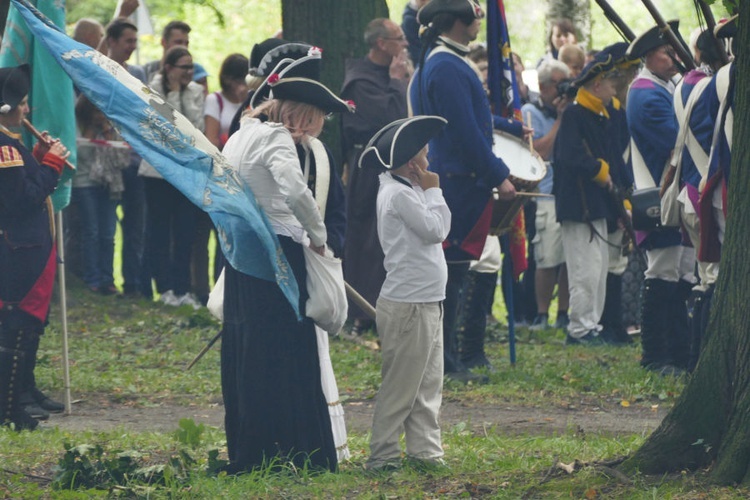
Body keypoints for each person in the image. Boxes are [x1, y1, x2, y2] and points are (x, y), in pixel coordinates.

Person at [219, 67, 354, 474]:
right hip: (280, 252)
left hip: (243, 253)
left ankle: (253, 448)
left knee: (248, 347)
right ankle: (296, 448)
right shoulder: (276, 137)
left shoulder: (240, 134)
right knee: (285, 350)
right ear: (300, 115)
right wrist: (318, 235)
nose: (315, 133)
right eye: (314, 122)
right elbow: (296, 191)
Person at [410, 0, 517, 383]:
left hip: (456, 178)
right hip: (458, 180)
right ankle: (446, 361)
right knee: (450, 277)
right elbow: (464, 132)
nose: (479, 22)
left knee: (452, 275)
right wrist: (498, 174)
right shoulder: (446, 65)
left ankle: (448, 358)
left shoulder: (443, 61)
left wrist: (512, 129)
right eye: (473, 16)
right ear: (459, 21)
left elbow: (472, 120)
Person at [361, 115, 450, 471]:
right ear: (413, 161)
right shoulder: (398, 194)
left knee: (428, 384)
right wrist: (434, 190)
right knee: (401, 387)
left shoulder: (407, 188)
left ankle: (424, 450)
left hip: (428, 299)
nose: (429, 161)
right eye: (425, 154)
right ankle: (382, 455)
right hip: (408, 303)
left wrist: (425, 190)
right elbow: (436, 230)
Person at [0, 64, 70, 430]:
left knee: (30, 325)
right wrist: (53, 166)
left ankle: (22, 392)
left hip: (30, 247)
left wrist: (42, 160)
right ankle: (11, 405)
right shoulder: (4, 148)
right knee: (18, 326)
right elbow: (21, 198)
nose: (27, 110)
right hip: (19, 248)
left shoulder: (12, 143)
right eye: (22, 103)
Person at [626, 22, 693, 373]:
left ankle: (679, 351)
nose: (674, 58)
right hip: (658, 194)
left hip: (672, 194)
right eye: (668, 53)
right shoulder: (646, 94)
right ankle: (655, 355)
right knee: (663, 272)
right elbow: (677, 144)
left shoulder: (660, 88)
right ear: (650, 56)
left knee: (680, 272)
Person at [341, 18, 408, 335]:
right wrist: (396, 81)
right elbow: (390, 120)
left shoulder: (393, 74)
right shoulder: (360, 81)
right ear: (381, 43)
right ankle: (363, 313)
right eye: (399, 39)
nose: (405, 45)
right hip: (368, 169)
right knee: (367, 240)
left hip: (395, 168)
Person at [553, 52, 622, 345]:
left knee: (597, 267)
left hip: (595, 204)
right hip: (579, 204)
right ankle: (579, 328)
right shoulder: (575, 114)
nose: (614, 89)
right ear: (597, 85)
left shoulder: (597, 115)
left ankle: (591, 324)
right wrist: (599, 171)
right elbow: (570, 156)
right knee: (584, 268)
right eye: (610, 84)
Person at [138, 46, 204, 308]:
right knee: (160, 231)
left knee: (186, 231)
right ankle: (164, 287)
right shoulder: (152, 89)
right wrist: (174, 92)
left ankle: (183, 287)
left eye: (192, 67)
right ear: (169, 68)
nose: (190, 72)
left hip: (187, 173)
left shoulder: (196, 91)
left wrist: (184, 92)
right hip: (157, 173)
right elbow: (169, 125)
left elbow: (193, 127)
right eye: (184, 67)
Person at [192, 53, 249, 304]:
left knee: (232, 237)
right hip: (217, 175)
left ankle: (228, 287)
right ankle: (204, 289)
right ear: (227, 79)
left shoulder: (251, 103)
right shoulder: (215, 101)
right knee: (210, 234)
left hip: (243, 178)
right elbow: (212, 137)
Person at [521, 60, 571, 332]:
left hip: (568, 193)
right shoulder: (530, 112)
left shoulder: (571, 109)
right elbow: (539, 153)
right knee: (548, 257)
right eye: (558, 84)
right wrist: (561, 119)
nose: (563, 90)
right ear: (542, 86)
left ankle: (564, 312)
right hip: (546, 195)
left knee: (567, 260)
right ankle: (542, 313)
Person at [104, 18, 147, 297]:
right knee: (106, 226)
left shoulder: (139, 74)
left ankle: (133, 282)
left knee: (135, 225)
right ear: (112, 42)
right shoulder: (99, 71)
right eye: (127, 41)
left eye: (135, 41)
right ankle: (103, 280)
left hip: (134, 158)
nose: (132, 46)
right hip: (105, 160)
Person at [71, 96, 129, 296]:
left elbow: (122, 158)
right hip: (85, 182)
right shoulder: (77, 125)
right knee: (92, 232)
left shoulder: (112, 127)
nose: (99, 116)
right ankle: (92, 279)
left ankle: (108, 279)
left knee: (108, 234)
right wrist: (90, 132)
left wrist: (106, 132)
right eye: (95, 112)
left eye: (102, 111)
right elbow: (81, 155)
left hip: (110, 184)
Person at [142, 20, 208, 91]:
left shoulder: (196, 70)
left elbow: (203, 98)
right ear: (163, 42)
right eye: (178, 42)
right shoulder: (148, 70)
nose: (184, 47)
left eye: (186, 43)